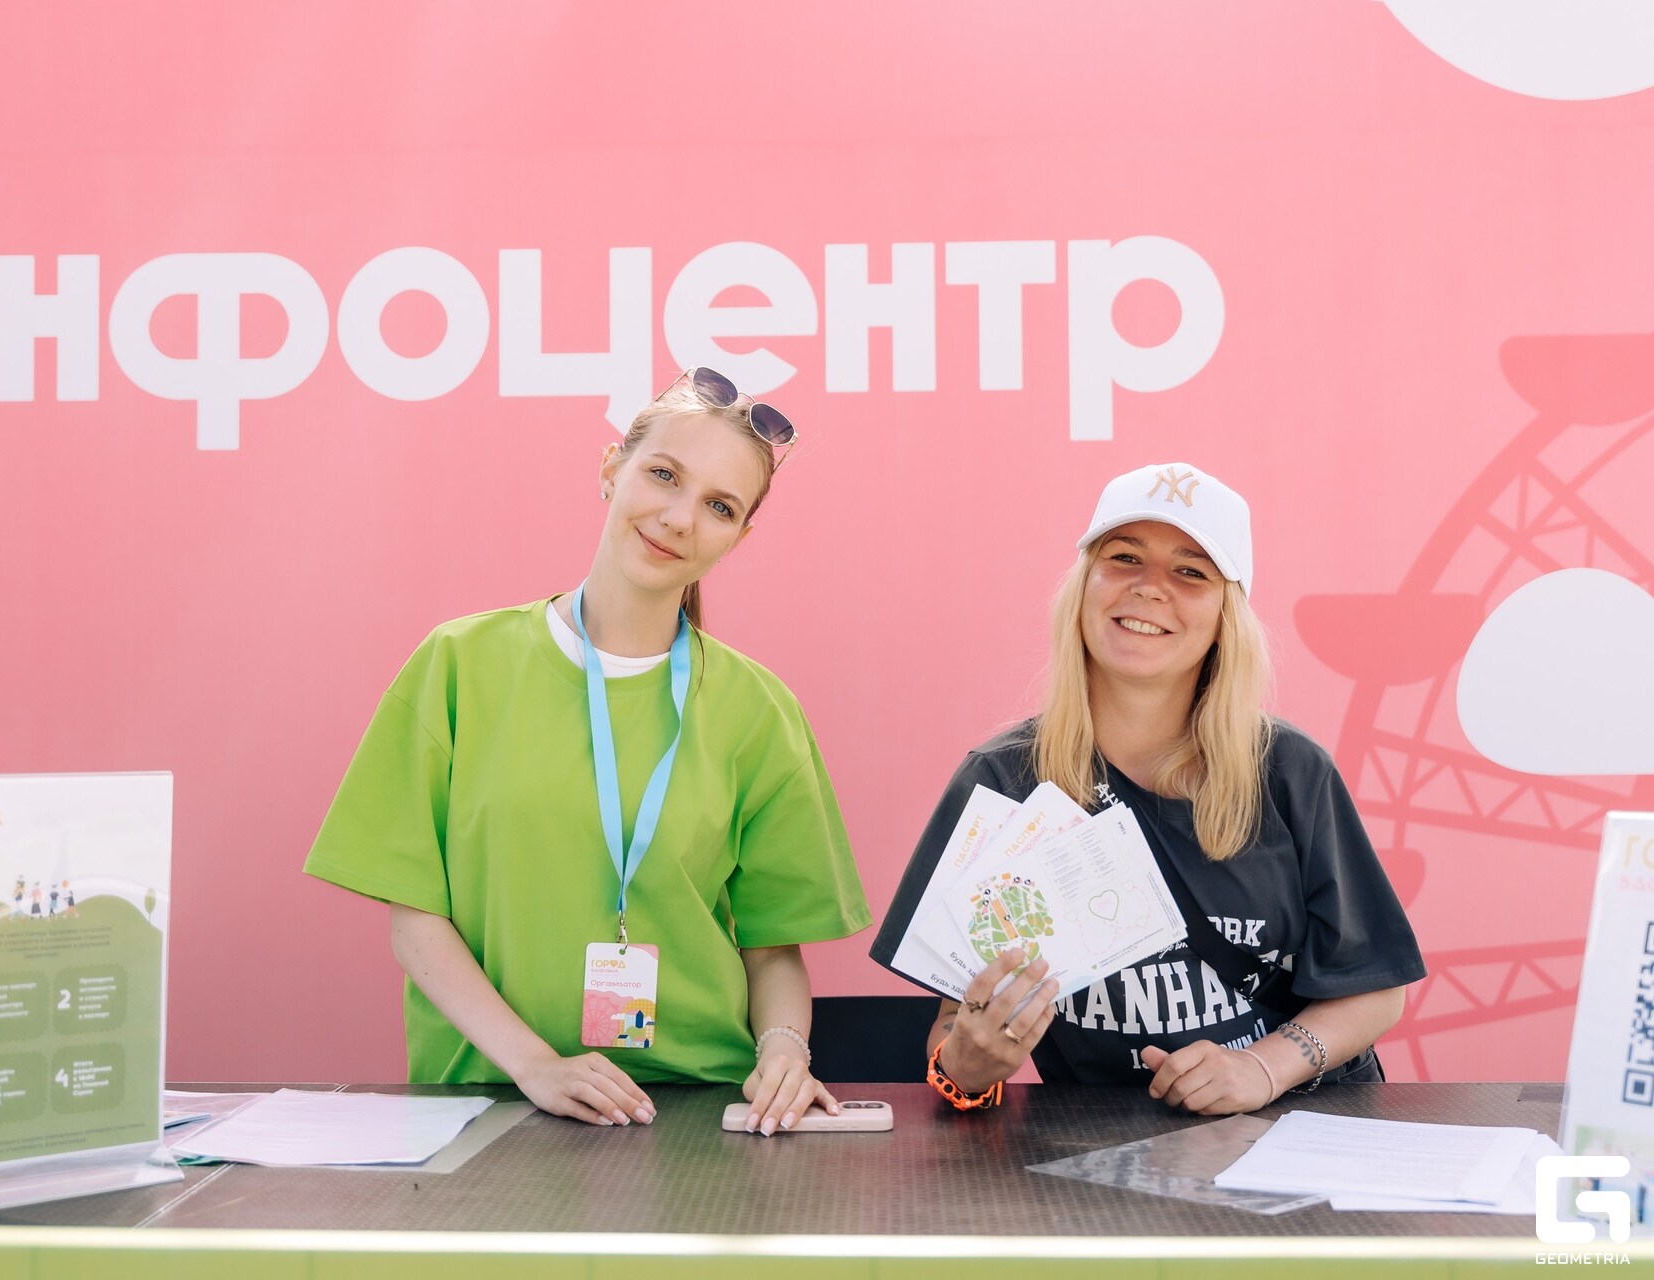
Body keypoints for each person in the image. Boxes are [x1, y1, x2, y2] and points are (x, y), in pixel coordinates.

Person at [306, 368, 870, 1135]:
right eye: (664, 475)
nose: (679, 518)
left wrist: (783, 1052)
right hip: (491, 1101)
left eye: (719, 506)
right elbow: (416, 921)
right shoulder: (459, 666)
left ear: (740, 536)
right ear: (611, 467)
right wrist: (535, 1065)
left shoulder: (759, 711)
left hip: (692, 1114)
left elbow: (772, 951)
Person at [877, 462, 1424, 1115]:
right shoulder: (1002, 781)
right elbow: (953, 1028)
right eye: (1124, 557)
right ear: (1085, 585)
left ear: (1226, 615)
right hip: (1101, 1147)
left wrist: (1262, 1068)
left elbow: (1375, 986)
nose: (1150, 587)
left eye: (1191, 572)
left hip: (1301, 1130)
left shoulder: (1288, 771)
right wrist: (968, 1068)